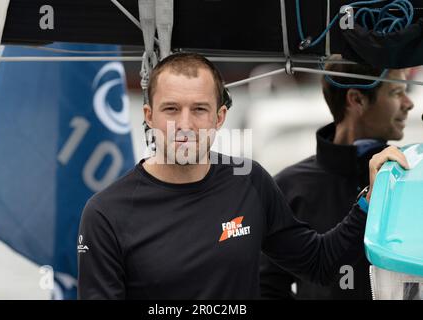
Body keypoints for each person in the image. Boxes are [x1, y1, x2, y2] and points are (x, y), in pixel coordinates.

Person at [77, 53, 408, 299]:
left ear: (220, 117)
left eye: (200, 109)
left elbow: (319, 263)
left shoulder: (249, 182)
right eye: (171, 109)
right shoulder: (106, 214)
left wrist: (368, 200)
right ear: (148, 115)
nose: (186, 124)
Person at [260, 57, 414, 300]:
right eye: (396, 92)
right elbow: (266, 287)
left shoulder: (410, 180)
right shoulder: (287, 186)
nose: (409, 104)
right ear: (357, 99)